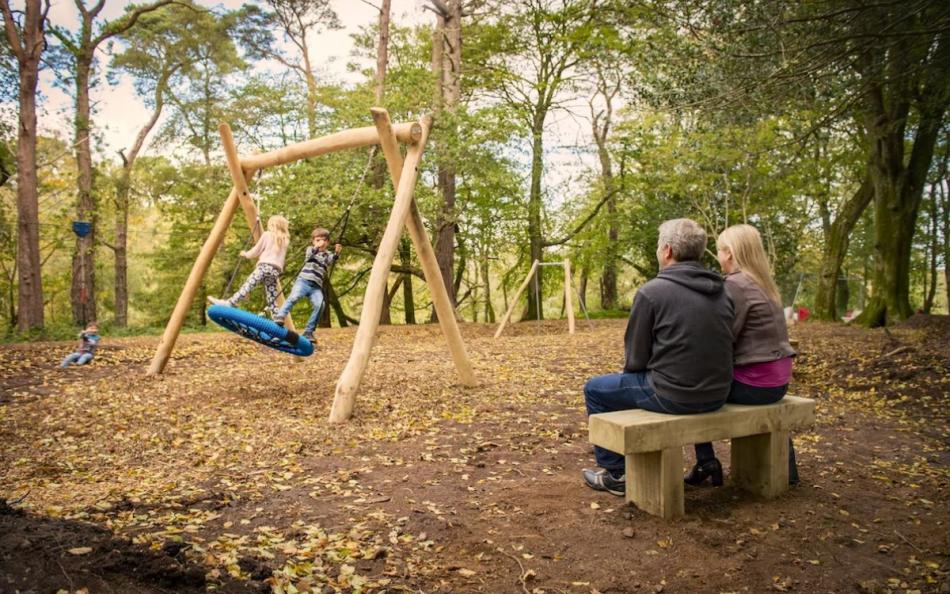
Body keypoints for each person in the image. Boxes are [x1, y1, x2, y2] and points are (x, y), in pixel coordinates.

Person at [582, 218, 735, 496]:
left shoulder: (652, 292)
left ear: (666, 250)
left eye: (657, 246)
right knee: (683, 375)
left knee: (595, 389)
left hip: (672, 394)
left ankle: (617, 473)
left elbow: (636, 359)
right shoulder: (723, 290)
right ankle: (705, 458)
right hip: (718, 393)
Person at [685, 224, 799, 487]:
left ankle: (706, 461)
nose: (719, 257)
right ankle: (787, 467)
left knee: (689, 389)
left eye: (720, 251)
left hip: (755, 384)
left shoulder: (735, 286)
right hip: (778, 381)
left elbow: (723, 337)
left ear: (731, 253)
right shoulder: (764, 283)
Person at [208, 215, 290, 317]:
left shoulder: (267, 235)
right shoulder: (285, 240)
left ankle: (230, 302)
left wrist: (245, 254)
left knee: (248, 284)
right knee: (271, 294)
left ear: (272, 225)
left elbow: (256, 250)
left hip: (264, 267)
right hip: (275, 271)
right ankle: (276, 315)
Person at [274, 227, 341, 344]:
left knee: (320, 305)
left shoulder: (327, 255)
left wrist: (336, 252)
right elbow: (312, 253)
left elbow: (332, 260)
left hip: (316, 287)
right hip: (303, 281)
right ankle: (280, 317)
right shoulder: (311, 249)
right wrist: (316, 247)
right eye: (318, 240)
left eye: (324, 240)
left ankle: (309, 331)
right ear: (313, 241)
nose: (322, 242)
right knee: (294, 297)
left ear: (328, 242)